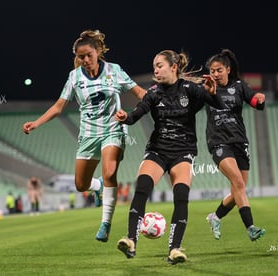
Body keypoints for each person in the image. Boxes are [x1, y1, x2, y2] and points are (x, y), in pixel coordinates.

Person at [22, 29, 146, 242]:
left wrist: (162, 99)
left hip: (112, 129)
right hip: (88, 134)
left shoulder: (114, 71)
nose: (86, 59)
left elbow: (140, 93)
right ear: (77, 58)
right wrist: (36, 123)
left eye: (89, 54)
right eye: (81, 57)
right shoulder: (74, 77)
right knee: (81, 185)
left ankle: (105, 223)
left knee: (109, 172)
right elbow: (59, 107)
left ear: (98, 51)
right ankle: (97, 187)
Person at [114, 49, 221, 264]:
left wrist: (212, 93)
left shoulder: (190, 89)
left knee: (181, 195)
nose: (155, 69)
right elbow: (136, 115)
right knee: (142, 186)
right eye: (154, 65)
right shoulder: (153, 93)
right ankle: (131, 240)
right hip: (157, 150)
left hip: (183, 151)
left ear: (173, 67)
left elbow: (216, 104)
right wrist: (125, 117)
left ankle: (174, 249)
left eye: (159, 65)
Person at [204, 48, 266, 242]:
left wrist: (260, 99)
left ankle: (215, 216)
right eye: (212, 70)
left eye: (219, 70)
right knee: (238, 183)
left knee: (238, 190)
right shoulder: (206, 88)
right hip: (218, 142)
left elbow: (255, 102)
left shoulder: (239, 86)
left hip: (240, 141)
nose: (215, 74)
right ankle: (250, 227)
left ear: (228, 69)